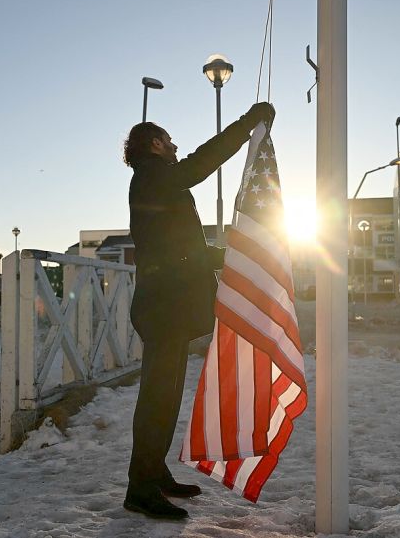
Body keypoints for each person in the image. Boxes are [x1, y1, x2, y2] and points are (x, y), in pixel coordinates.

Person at [121, 102, 275, 519]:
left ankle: (153, 474)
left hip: (167, 308)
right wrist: (247, 125)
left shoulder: (157, 182)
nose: (175, 146)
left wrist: (227, 255)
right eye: (169, 141)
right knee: (157, 399)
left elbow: (181, 251)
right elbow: (201, 164)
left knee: (166, 399)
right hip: (162, 310)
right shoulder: (155, 177)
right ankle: (140, 488)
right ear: (155, 143)